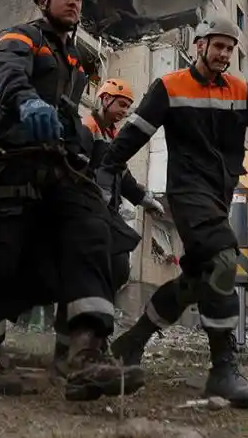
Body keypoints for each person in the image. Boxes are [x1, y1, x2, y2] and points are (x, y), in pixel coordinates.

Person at [97, 15, 248, 409]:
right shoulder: (170, 86)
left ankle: (131, 343)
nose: (224, 54)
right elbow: (136, 131)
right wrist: (107, 170)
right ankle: (223, 370)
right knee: (225, 259)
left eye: (230, 48)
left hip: (218, 194)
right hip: (186, 192)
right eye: (218, 46)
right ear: (199, 46)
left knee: (197, 279)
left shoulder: (239, 90)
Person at [0, 0, 142, 402]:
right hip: (12, 164)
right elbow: (9, 80)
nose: (75, 2)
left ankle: (82, 355)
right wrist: (26, 103)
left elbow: (64, 110)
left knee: (95, 234)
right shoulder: (19, 38)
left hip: (58, 167)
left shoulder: (74, 60)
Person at [48, 78, 163, 380]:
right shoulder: (89, 129)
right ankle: (74, 345)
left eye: (127, 106)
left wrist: (144, 199)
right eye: (120, 104)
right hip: (85, 213)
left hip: (105, 215)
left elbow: (122, 178)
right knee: (98, 270)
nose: (124, 111)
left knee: (117, 268)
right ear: (104, 100)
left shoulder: (112, 138)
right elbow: (75, 166)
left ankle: (91, 336)